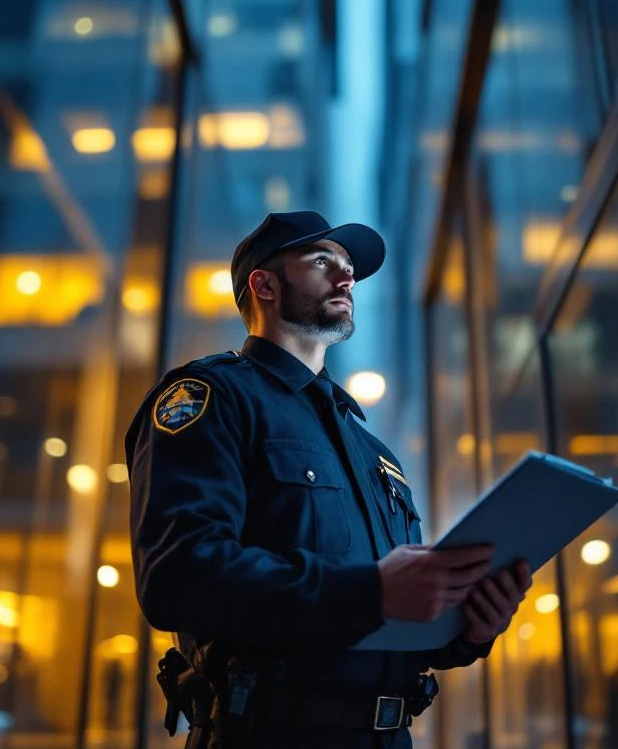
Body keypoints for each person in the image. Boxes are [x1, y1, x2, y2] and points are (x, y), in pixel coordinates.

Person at [126, 211, 533, 748]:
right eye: (323, 262)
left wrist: (468, 628)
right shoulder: (213, 397)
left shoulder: (371, 450)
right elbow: (177, 577)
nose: (346, 278)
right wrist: (374, 589)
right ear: (264, 284)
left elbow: (391, 622)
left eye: (349, 269)